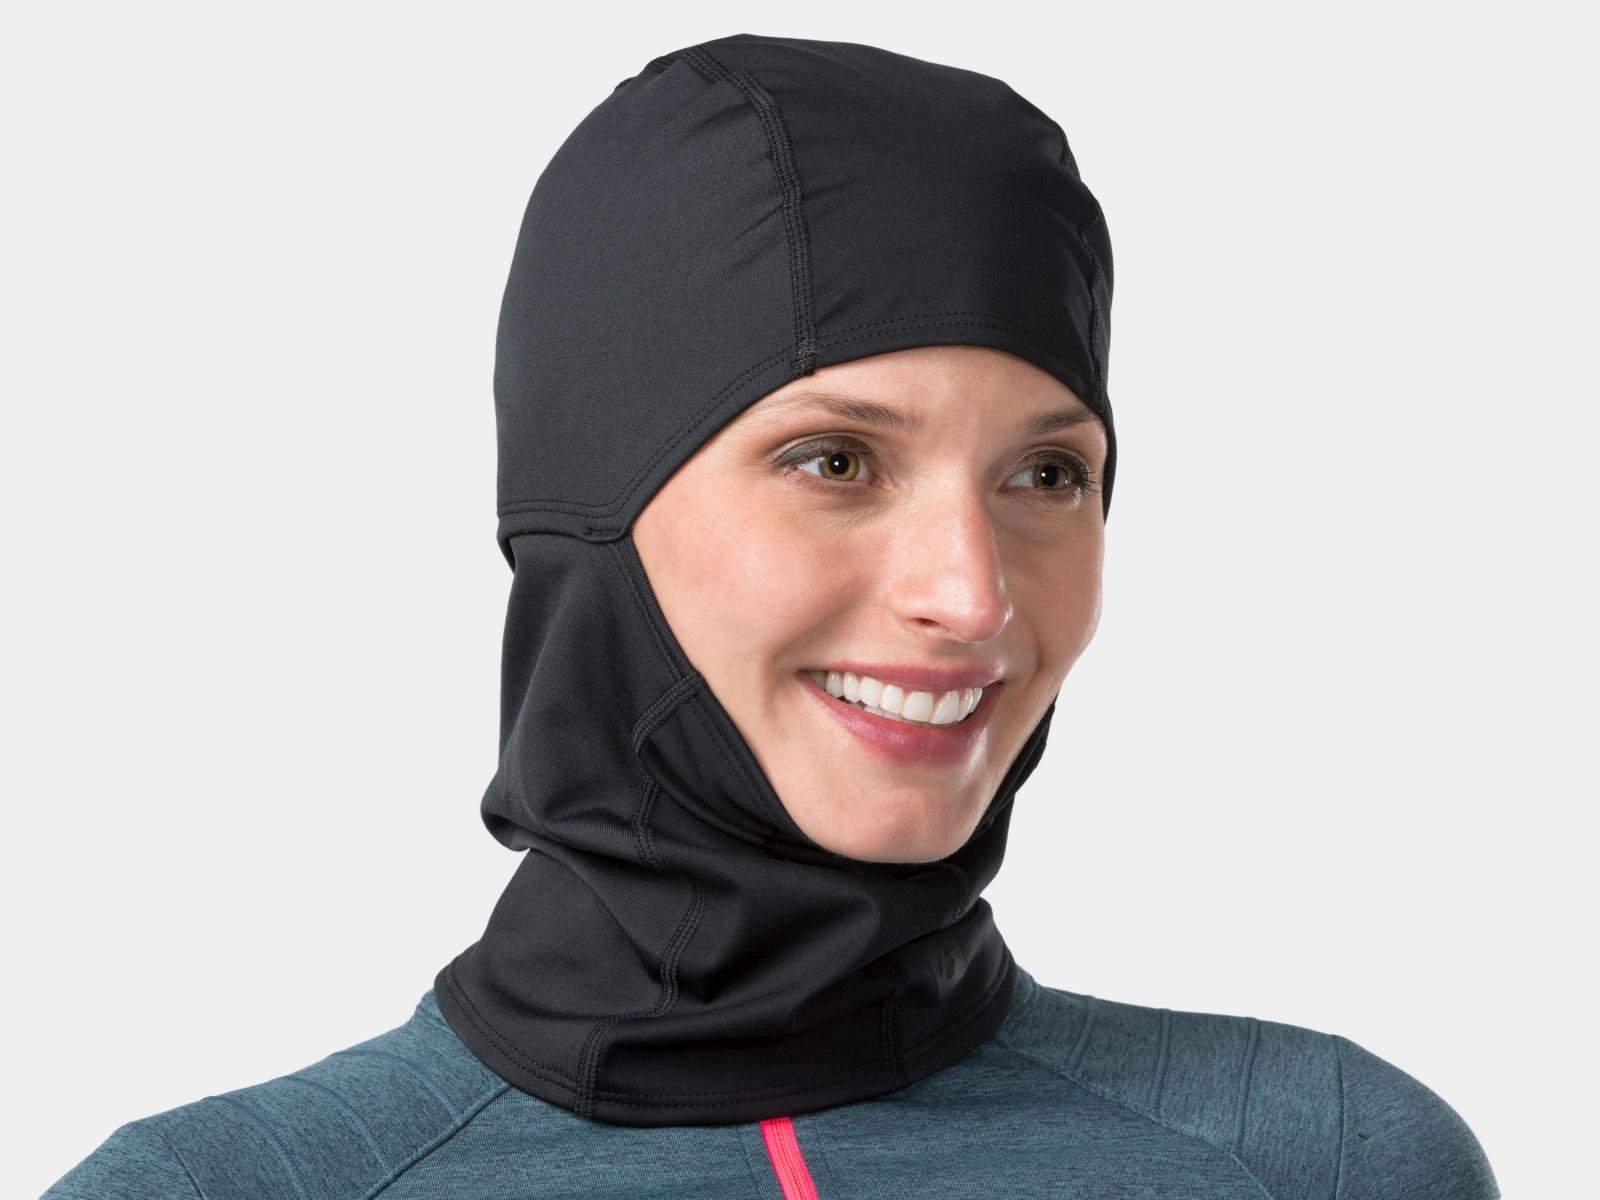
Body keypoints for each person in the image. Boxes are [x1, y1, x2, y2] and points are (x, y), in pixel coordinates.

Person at [42, 32, 1499, 1198]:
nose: (971, 595)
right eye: (836, 461)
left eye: (1047, 474)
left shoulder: (1326, 1163)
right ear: (593, 511)